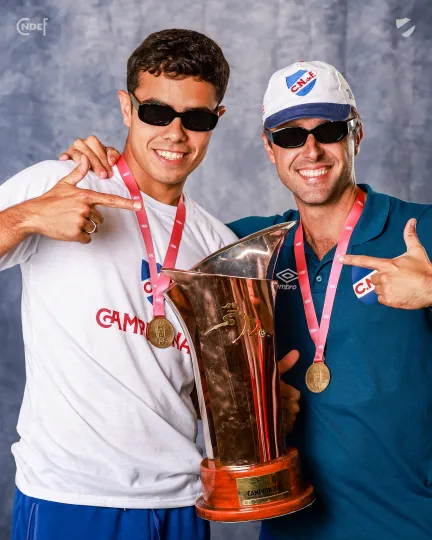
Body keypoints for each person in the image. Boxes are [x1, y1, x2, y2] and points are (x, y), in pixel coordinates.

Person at [66, 60, 432, 540]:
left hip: (409, 523)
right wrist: (100, 172)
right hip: (290, 524)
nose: (311, 150)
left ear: (355, 135)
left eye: (328, 130)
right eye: (290, 136)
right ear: (269, 148)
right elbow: (154, 235)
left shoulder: (420, 232)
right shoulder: (244, 248)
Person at [0, 28, 301, 540]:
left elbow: (198, 389)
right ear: (127, 107)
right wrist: (27, 216)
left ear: (217, 120)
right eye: (157, 112)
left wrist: (260, 404)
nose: (175, 134)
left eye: (196, 118)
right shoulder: (60, 185)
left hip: (183, 501)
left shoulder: (217, 244)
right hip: (74, 497)